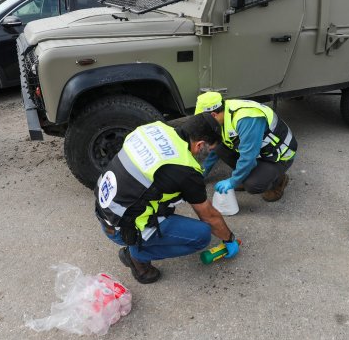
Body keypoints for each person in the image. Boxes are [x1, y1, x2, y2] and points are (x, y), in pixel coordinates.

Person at [95, 113, 239, 284]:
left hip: (104, 207)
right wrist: (229, 239)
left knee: (165, 195)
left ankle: (141, 241)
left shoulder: (154, 129)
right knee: (202, 235)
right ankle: (137, 255)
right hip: (122, 229)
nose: (206, 154)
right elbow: (209, 216)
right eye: (209, 149)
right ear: (200, 145)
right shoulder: (187, 170)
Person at [194, 92, 296, 202]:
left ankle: (278, 181)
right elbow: (215, 149)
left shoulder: (247, 119)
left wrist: (233, 181)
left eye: (203, 120)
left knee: (253, 185)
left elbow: (248, 156)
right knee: (218, 146)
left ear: (213, 115)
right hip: (259, 152)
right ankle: (246, 175)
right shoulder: (223, 115)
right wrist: (201, 173)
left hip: (278, 157)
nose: (203, 124)